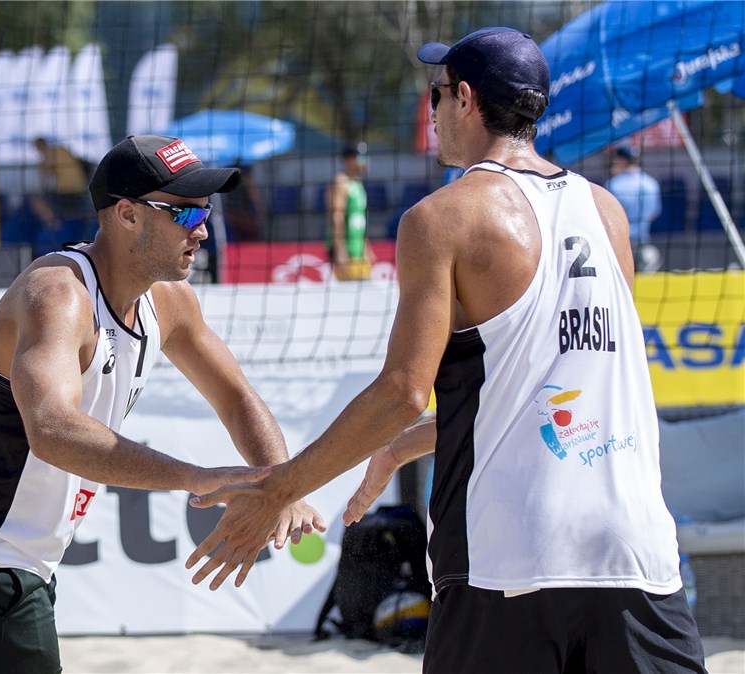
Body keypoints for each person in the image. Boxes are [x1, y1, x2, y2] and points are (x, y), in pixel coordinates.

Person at [186, 28, 706, 673]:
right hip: (636, 554)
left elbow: (402, 390)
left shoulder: (443, 217)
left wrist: (278, 489)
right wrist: (412, 441)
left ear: (464, 98)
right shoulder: (606, 211)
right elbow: (548, 387)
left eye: (434, 95)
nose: (429, 112)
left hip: (509, 555)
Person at [0, 133, 324, 674]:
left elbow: (236, 397)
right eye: (185, 215)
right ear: (127, 214)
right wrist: (196, 476)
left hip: (20, 559)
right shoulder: (58, 295)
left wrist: (280, 483)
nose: (203, 230)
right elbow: (51, 431)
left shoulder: (167, 302)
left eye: (205, 212)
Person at [29, 137, 95, 256]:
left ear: (39, 147)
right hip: (82, 193)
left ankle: (52, 223)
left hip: (67, 194)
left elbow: (44, 180)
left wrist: (44, 193)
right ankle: (54, 222)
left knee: (35, 200)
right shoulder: (62, 150)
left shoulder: (49, 154)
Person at [606, 144, 662, 272]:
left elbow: (608, 218)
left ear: (621, 160)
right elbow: (654, 214)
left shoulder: (613, 185)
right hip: (644, 245)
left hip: (620, 246)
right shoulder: (651, 183)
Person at [326, 142, 375, 281]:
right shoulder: (341, 182)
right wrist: (339, 251)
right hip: (347, 250)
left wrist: (367, 249)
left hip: (359, 250)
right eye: (360, 157)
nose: (364, 161)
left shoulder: (358, 184)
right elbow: (336, 218)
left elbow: (360, 222)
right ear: (348, 160)